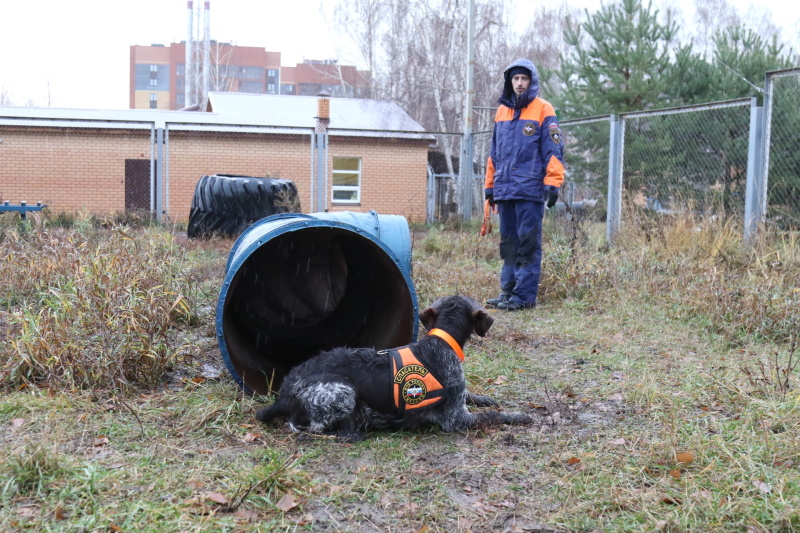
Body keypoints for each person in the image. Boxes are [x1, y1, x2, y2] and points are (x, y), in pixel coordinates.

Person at [484, 58, 565, 311]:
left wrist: (553, 182)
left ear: (531, 82)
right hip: (505, 189)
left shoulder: (543, 109)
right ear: (510, 81)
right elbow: (494, 152)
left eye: (524, 79)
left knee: (527, 243)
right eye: (515, 79)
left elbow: (554, 148)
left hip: (530, 190)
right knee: (508, 244)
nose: (519, 83)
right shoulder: (502, 112)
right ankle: (508, 293)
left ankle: (524, 297)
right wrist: (490, 187)